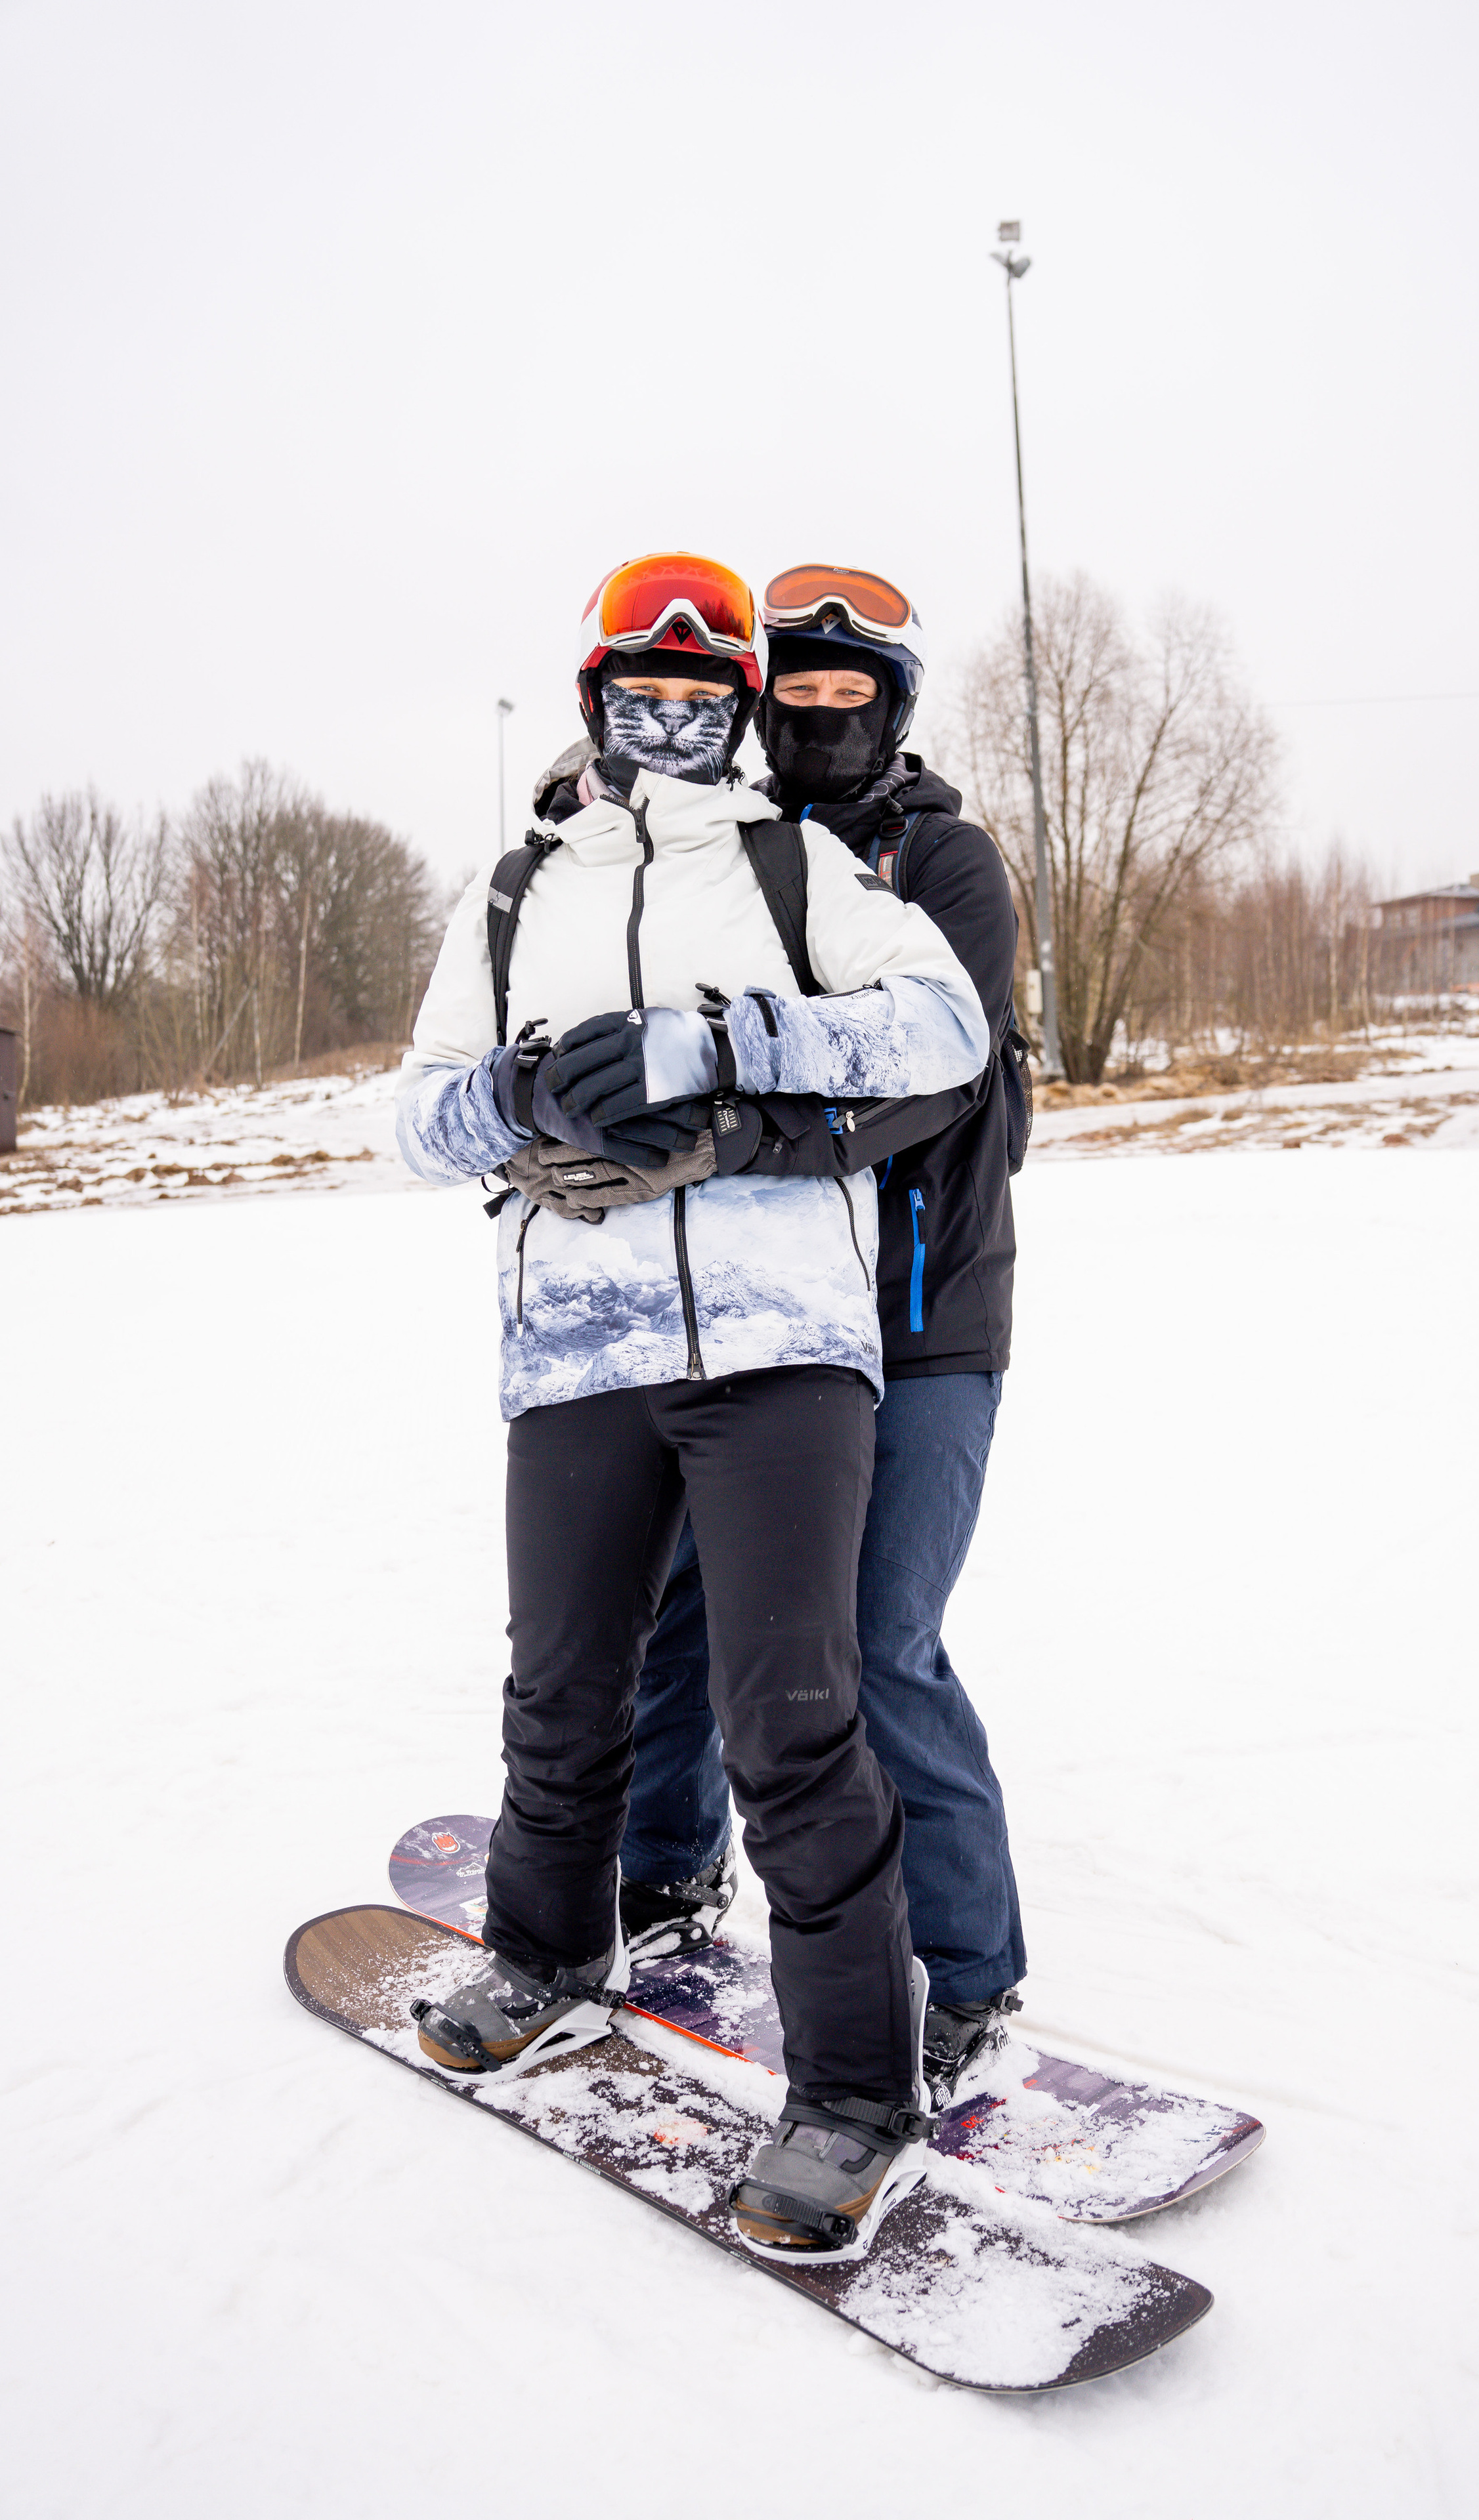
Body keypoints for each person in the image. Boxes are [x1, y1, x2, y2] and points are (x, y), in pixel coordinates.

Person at [395, 551, 989, 2260]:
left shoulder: (794, 865)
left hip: (779, 1349)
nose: (668, 711)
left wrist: (725, 1043)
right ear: (596, 703)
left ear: (733, 705)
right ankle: (547, 1958)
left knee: (791, 1712)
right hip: (576, 1344)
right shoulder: (515, 894)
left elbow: (943, 1029)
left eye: (697, 687)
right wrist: (512, 1092)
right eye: (637, 687)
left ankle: (857, 2093)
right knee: (563, 1687)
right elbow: (411, 1119)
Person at [614, 564, 1031, 2104]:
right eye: (795, 696)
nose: (820, 720)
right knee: (680, 1606)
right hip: (757, 1305)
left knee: (874, 1639)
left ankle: (967, 1972)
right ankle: (660, 1874)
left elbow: (941, 1071)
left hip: (920, 1311)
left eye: (853, 699)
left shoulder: (946, 861)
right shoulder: (736, 848)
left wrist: (748, 1138)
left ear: (894, 710)